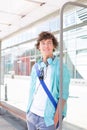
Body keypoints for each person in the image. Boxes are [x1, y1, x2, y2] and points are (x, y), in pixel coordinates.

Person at [26, 31, 70, 130]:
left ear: (54, 46)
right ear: (38, 47)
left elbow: (63, 95)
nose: (46, 46)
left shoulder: (61, 67)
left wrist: (56, 119)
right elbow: (32, 90)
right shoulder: (36, 67)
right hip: (32, 115)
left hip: (48, 118)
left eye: (49, 42)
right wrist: (28, 111)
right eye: (43, 43)